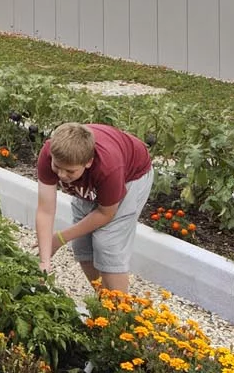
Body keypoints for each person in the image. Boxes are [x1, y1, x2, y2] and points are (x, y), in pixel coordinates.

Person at [33, 121, 154, 294]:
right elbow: (45, 210)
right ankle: (103, 298)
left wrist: (59, 238)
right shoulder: (51, 153)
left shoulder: (109, 167)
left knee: (107, 243)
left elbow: (106, 214)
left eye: (70, 171)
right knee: (82, 245)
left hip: (131, 175)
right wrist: (44, 261)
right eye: (57, 167)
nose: (61, 175)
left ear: (88, 162)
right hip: (93, 179)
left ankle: (118, 308)